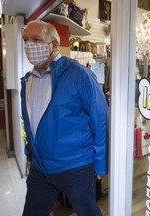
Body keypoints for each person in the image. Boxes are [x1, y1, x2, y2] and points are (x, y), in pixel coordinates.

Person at [20, 20, 109, 216]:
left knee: (88, 212)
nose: (29, 45)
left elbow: (100, 117)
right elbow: (31, 123)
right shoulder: (28, 80)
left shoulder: (78, 74)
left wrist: (101, 164)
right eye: (25, 40)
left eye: (36, 39)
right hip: (40, 167)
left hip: (75, 166)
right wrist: (29, 154)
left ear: (54, 45)